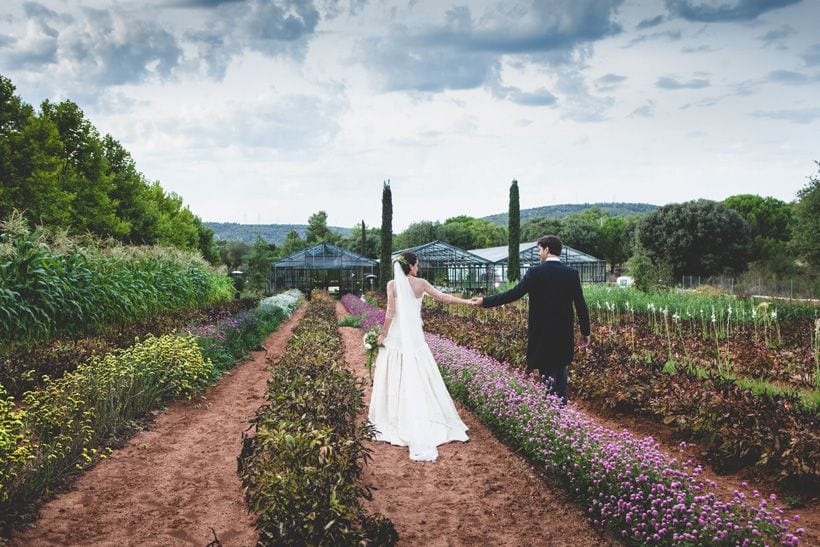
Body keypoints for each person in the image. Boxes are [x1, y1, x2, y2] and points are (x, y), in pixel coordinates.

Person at [369, 251, 472, 461]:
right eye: (417, 265)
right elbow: (444, 298)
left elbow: (390, 313)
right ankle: (429, 416)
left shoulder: (392, 285)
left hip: (398, 335)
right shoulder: (421, 283)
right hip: (415, 337)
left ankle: (394, 418)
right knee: (422, 373)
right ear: (412, 266)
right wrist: (468, 302)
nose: (418, 268)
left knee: (395, 372)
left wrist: (382, 335)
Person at [472, 235, 590, 405]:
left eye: (539, 250)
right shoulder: (571, 274)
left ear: (547, 249)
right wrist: (585, 332)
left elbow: (513, 294)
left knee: (548, 381)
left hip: (543, 336)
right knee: (561, 377)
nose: (538, 254)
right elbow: (581, 305)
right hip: (563, 336)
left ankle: (552, 418)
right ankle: (561, 415)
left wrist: (485, 301)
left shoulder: (535, 273)